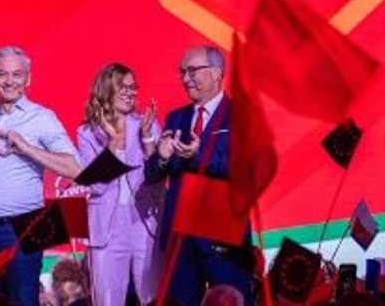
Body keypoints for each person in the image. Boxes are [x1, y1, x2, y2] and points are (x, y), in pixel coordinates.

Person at [0, 46, 81, 306]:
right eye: (2, 74)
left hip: (27, 226)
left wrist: (27, 148)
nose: (9, 81)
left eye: (17, 74)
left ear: (28, 79)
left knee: (23, 300)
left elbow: (75, 168)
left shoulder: (42, 117)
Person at [144, 45, 255, 306]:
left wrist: (199, 156)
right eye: (182, 72)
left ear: (216, 73)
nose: (185, 78)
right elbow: (152, 176)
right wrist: (161, 157)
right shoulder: (176, 118)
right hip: (180, 238)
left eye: (192, 71)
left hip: (223, 234)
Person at [76, 63, 163, 306]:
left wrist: (147, 137)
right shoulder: (87, 133)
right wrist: (113, 143)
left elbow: (158, 175)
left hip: (144, 221)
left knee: (152, 296)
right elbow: (96, 187)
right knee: (107, 298)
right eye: (122, 87)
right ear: (107, 89)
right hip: (108, 225)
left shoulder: (146, 123)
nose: (129, 92)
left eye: (132, 87)